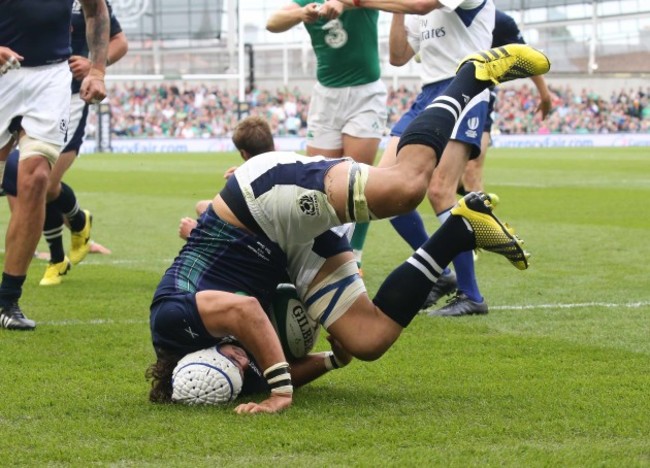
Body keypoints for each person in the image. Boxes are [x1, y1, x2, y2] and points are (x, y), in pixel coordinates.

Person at [147, 45, 549, 414]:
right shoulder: (226, 377)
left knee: (405, 188)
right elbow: (267, 371)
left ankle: (470, 77)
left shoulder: (170, 322)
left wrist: (280, 392)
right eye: (237, 371)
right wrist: (330, 360)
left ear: (196, 356)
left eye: (229, 362)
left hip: (259, 207)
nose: (238, 362)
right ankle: (460, 230)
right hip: (289, 255)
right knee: (367, 340)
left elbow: (245, 310)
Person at [430, 8, 553, 316]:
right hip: (444, 94)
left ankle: (475, 241)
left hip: (478, 101)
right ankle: (470, 236)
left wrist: (544, 93)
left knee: (470, 174)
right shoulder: (442, 16)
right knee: (446, 183)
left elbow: (526, 55)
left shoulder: (499, 19)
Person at [0, 0, 109, 331]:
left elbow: (97, 11)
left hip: (51, 77)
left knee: (36, 180)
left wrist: (97, 70)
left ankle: (7, 301)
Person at [266, 0, 388, 273]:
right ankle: (325, 252)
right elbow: (272, 22)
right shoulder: (305, 2)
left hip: (364, 93)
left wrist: (344, 3)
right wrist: (302, 13)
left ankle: (354, 255)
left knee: (357, 180)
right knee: (319, 183)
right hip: (325, 97)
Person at [36, 0, 127, 286]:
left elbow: (119, 42)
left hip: (73, 97)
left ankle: (69, 237)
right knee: (32, 182)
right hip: (32, 95)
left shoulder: (90, 4)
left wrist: (96, 64)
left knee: (47, 183)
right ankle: (61, 250)